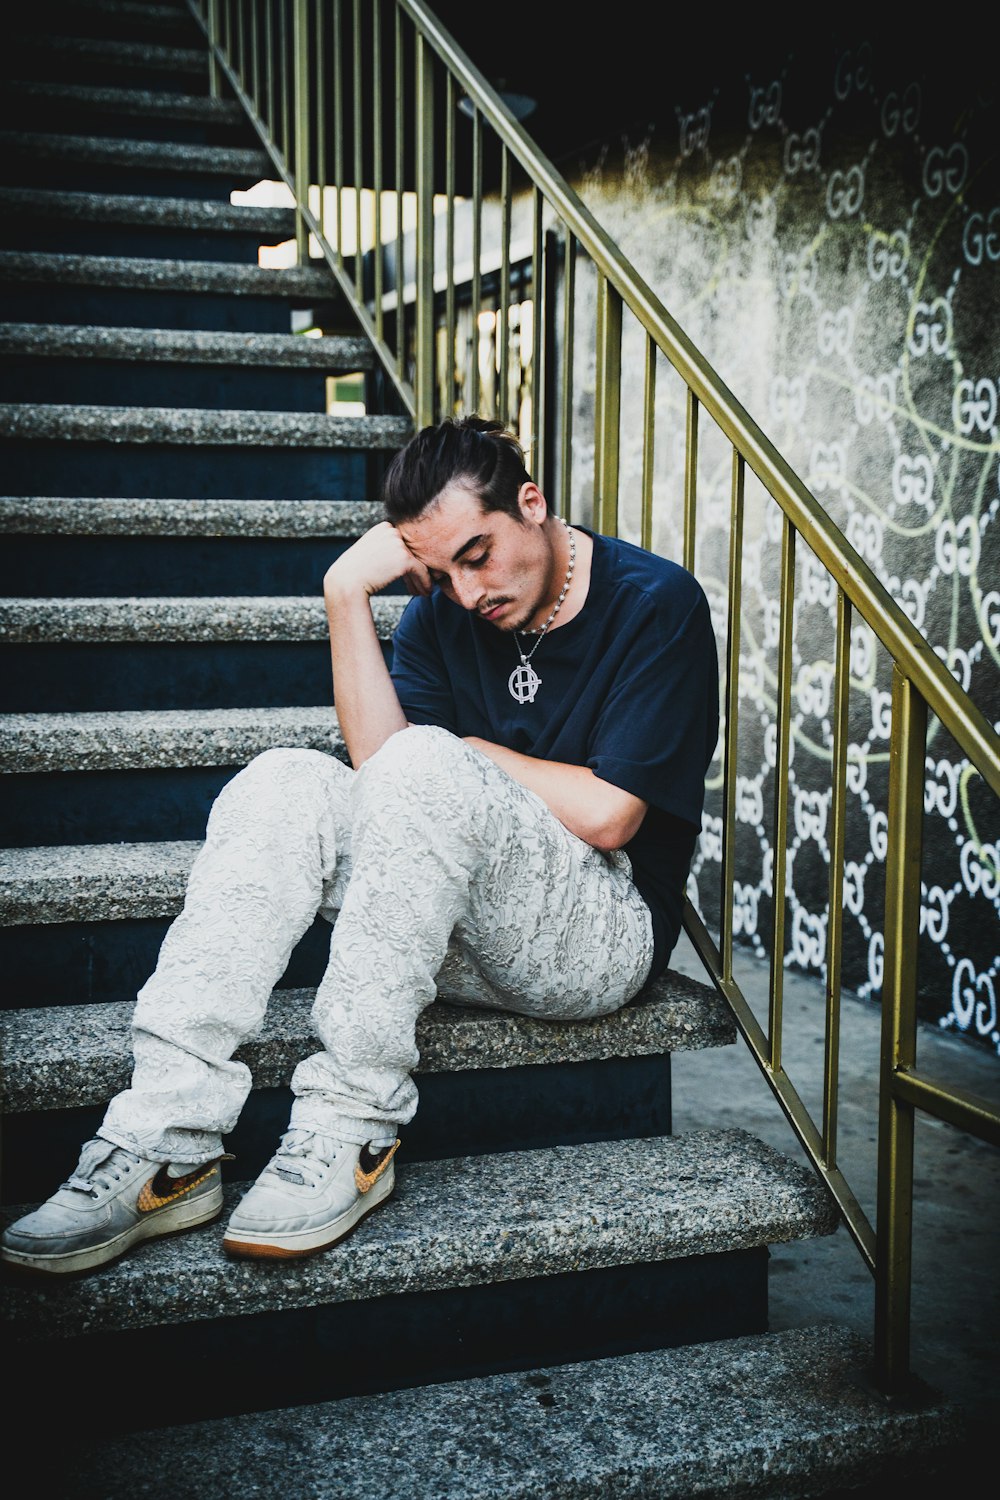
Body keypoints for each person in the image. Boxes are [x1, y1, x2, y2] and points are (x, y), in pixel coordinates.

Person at [1, 414, 719, 1275]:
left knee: (427, 759)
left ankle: (350, 1126)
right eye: (438, 569)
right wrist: (346, 593)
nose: (464, 591)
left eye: (479, 554)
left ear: (532, 503)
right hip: (459, 918)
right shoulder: (441, 610)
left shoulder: (654, 602)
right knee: (284, 781)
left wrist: (473, 757)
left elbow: (609, 815)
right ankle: (164, 1136)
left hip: (598, 934)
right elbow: (386, 783)